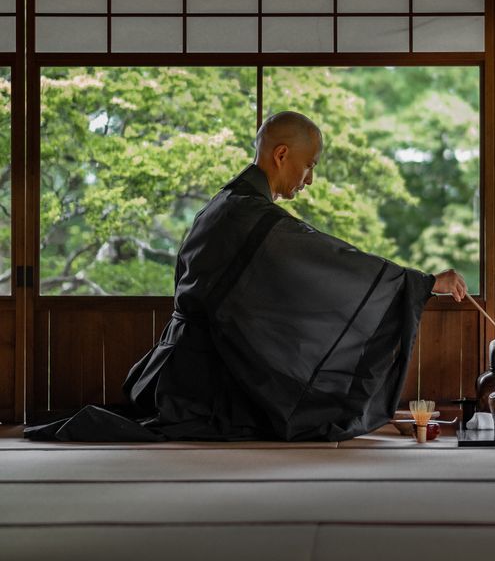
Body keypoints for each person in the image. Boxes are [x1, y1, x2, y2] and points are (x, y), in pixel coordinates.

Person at [27, 111, 467, 443]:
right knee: (295, 417)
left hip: (183, 367)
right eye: (309, 165)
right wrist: (421, 281)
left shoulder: (231, 203)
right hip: (199, 381)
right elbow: (331, 259)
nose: (309, 179)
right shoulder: (246, 214)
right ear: (281, 155)